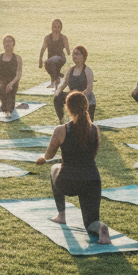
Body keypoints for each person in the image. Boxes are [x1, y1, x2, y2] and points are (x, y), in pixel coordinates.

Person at [36, 92, 109, 244]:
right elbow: (92, 155)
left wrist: (43, 158)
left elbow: (49, 155)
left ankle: (61, 215)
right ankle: (101, 227)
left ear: (68, 108)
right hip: (92, 181)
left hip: (68, 182)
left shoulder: (61, 130)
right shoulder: (94, 129)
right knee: (90, 223)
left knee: (54, 168)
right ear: (86, 107)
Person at [53, 45, 94, 122]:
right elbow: (63, 83)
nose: (74, 56)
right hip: (72, 96)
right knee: (57, 97)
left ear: (83, 56)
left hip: (83, 97)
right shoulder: (71, 69)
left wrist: (80, 95)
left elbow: (89, 88)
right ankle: (61, 119)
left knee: (76, 101)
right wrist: (58, 91)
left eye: (77, 54)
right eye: (73, 54)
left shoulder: (88, 70)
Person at [0, 35, 23, 116]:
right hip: (2, 82)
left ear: (13, 44)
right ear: (3, 44)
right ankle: (5, 107)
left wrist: (11, 83)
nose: (7, 43)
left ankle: (7, 108)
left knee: (10, 104)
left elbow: (19, 74)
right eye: (6, 42)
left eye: (10, 41)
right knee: (0, 87)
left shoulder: (18, 58)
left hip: (13, 82)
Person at [37, 19, 70, 88]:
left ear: (61, 28)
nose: (56, 29)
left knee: (51, 61)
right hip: (50, 61)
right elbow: (43, 49)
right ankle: (56, 78)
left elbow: (68, 51)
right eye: (54, 27)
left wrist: (67, 49)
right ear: (51, 28)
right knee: (49, 64)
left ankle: (55, 80)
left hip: (61, 58)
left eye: (58, 27)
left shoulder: (63, 38)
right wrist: (40, 59)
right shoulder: (47, 38)